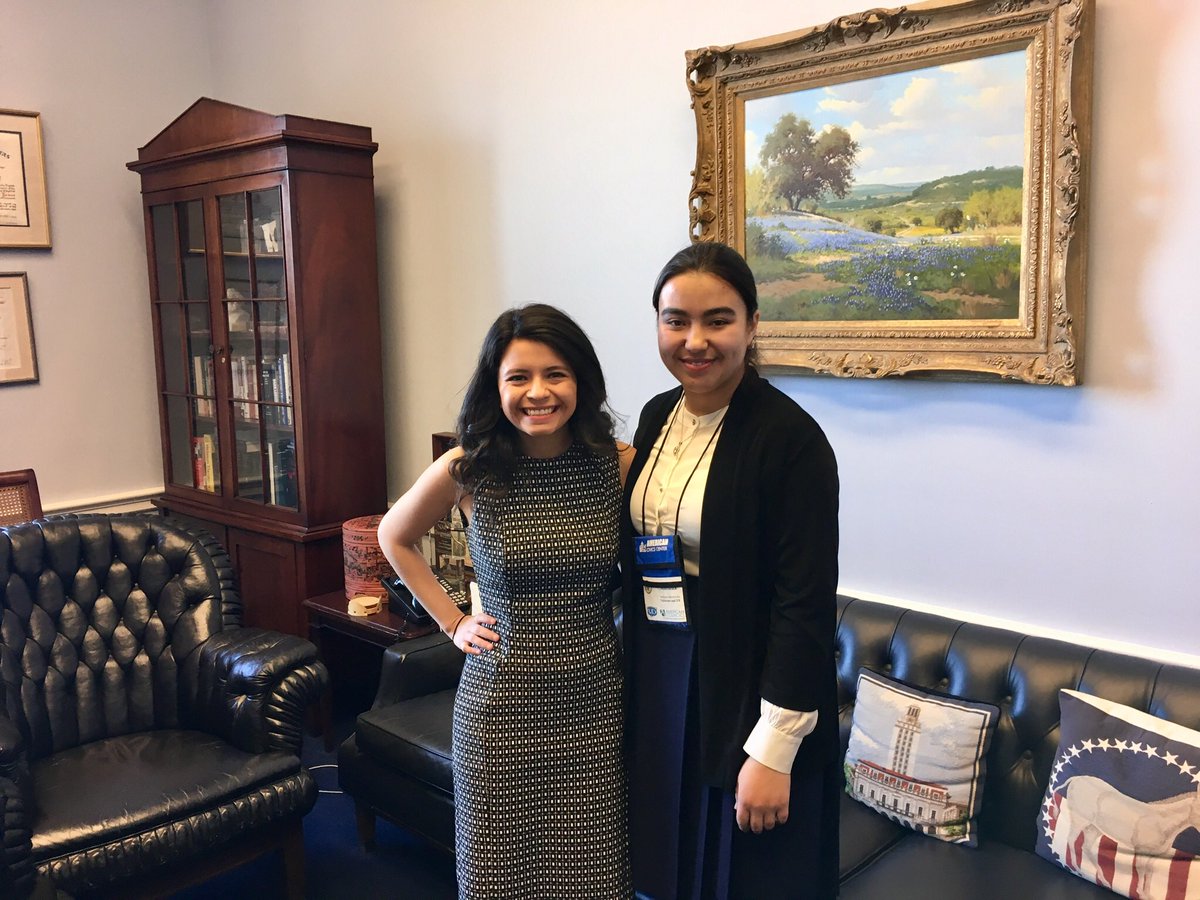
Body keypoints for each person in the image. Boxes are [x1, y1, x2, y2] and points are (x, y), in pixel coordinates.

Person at [377, 303, 634, 899]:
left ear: (581, 382)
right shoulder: (469, 469)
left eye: (555, 375)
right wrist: (452, 622)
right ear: (496, 387)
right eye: (519, 377)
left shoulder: (616, 463)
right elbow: (394, 536)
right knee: (498, 876)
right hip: (500, 701)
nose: (537, 392)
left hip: (592, 698)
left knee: (591, 874)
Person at [622, 242, 841, 899]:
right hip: (662, 671)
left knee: (744, 875)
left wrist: (774, 750)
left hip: (747, 686)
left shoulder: (792, 441)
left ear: (751, 324)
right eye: (675, 320)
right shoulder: (658, 415)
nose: (695, 340)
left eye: (717, 320)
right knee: (667, 864)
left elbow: (802, 606)